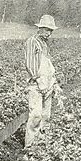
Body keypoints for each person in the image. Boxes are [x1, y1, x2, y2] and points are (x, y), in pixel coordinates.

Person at [24, 15, 62, 148]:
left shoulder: (44, 44)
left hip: (47, 84)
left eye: (51, 31)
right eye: (47, 30)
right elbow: (30, 65)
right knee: (35, 115)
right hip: (36, 85)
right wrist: (39, 81)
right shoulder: (32, 42)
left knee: (46, 116)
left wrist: (53, 82)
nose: (49, 33)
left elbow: (48, 64)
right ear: (40, 28)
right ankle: (30, 146)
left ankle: (42, 143)